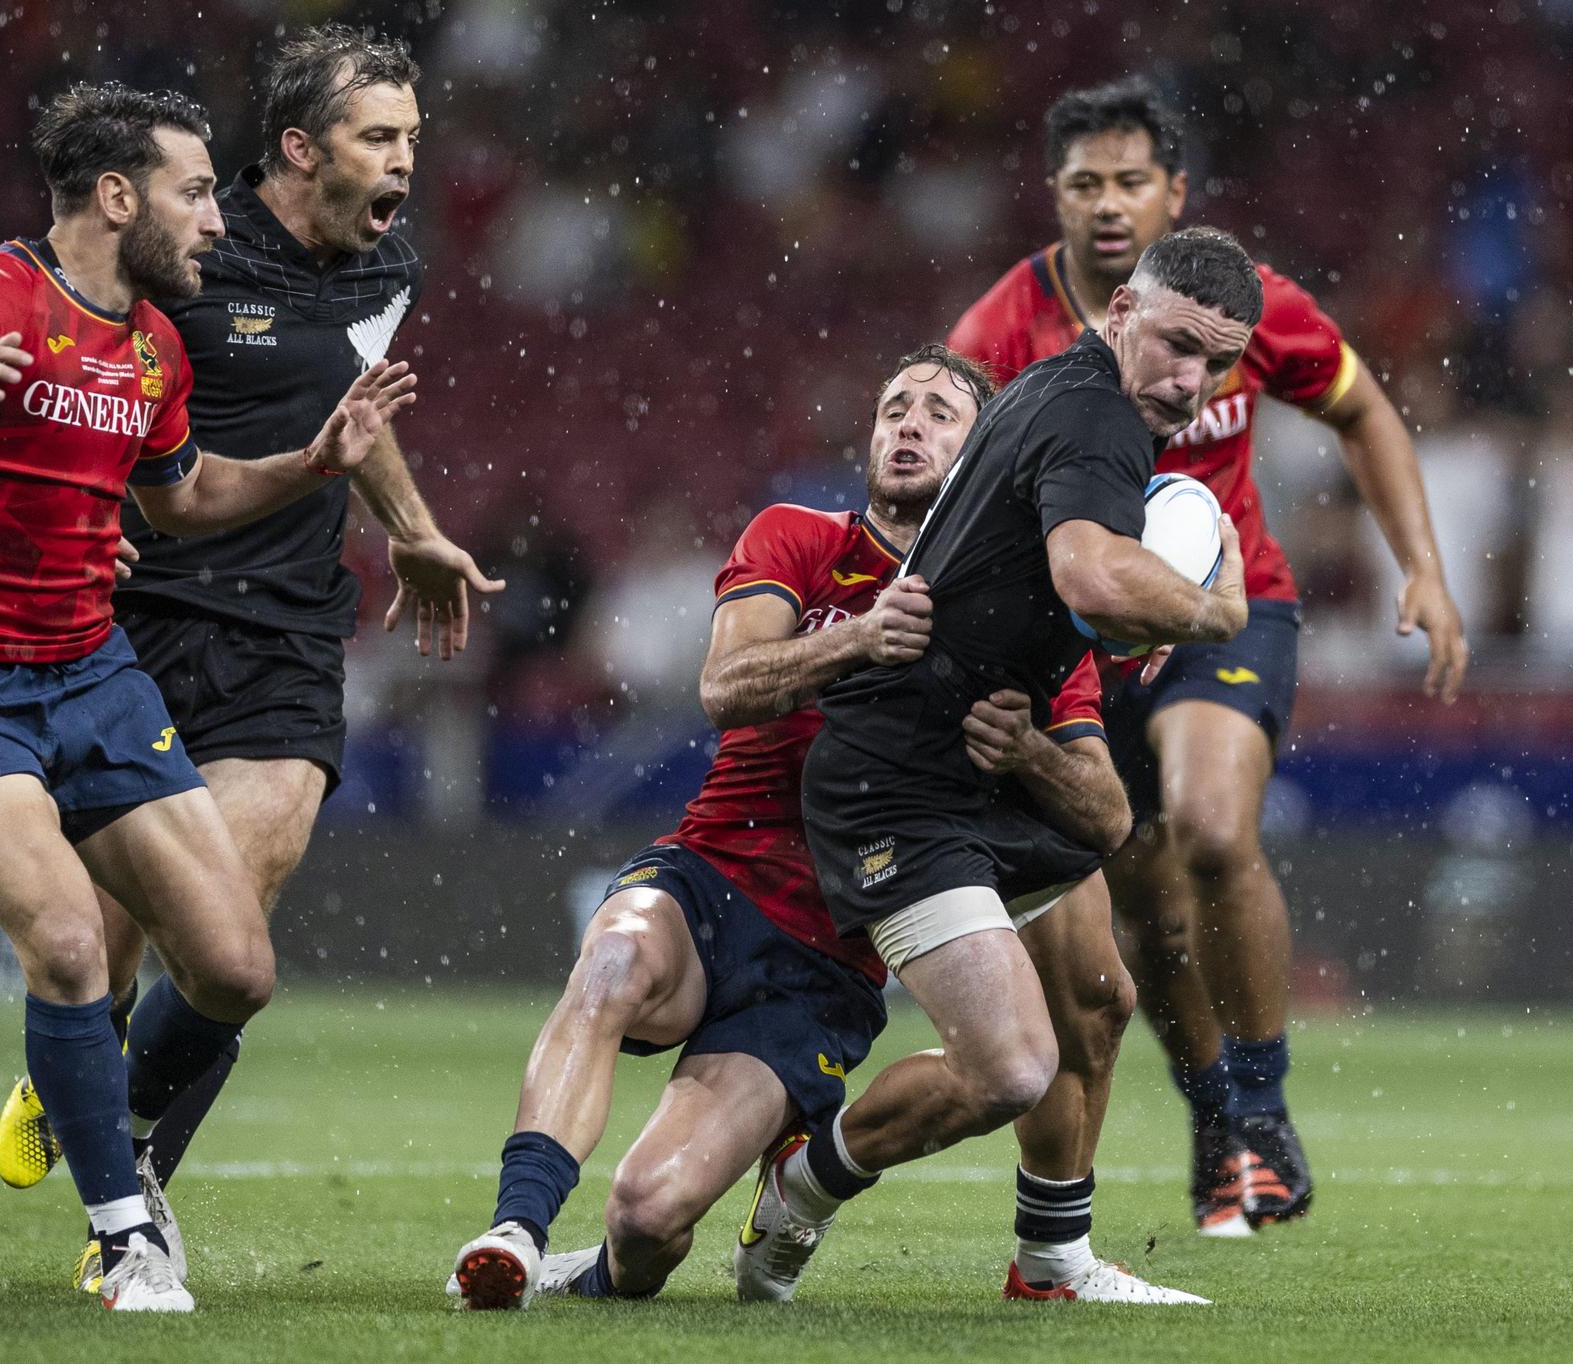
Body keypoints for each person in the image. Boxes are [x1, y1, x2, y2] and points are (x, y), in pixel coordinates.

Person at [450, 344, 1198, 1309]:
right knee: (614, 959)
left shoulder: (1031, 622)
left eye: (938, 412)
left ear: (985, 457)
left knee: (646, 1223)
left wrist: (1027, 753)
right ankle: (516, 1224)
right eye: (895, 406)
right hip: (712, 876)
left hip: (825, 960)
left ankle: (599, 1271)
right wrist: (858, 636)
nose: (908, 424)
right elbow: (723, 687)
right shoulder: (802, 537)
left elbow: (1106, 813)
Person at [0, 82, 417, 1311]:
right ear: (118, 196)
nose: (218, 218)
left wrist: (313, 466)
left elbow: (185, 494)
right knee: (61, 942)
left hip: (93, 673)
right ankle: (124, 1236)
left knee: (233, 969)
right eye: (197, 191)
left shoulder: (153, 341)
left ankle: (96, 1112)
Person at [0, 26, 502, 1289]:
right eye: (379, 137)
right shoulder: (187, 251)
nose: (402, 161)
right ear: (297, 149)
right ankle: (79, 1065)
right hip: (139, 610)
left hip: (284, 623)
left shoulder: (391, 265)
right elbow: (82, 378)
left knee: (233, 920)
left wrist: (417, 532)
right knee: (110, 939)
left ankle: (135, 1175)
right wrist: (78, 517)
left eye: (412, 139)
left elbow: (353, 403)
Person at [949, 78, 1471, 1234]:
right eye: (1083, 182)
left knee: (1211, 826)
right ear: (1055, 197)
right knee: (1144, 903)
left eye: (1130, 179)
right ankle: (1211, 1117)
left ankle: (1265, 1109)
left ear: (1173, 192)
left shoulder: (1253, 306)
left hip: (1228, 609)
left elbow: (1365, 413)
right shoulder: (1000, 331)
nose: (1106, 202)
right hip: (1083, 650)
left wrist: (1420, 567)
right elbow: (945, 485)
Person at [737, 228, 1258, 1303]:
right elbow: (1091, 574)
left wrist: (1109, 623)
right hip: (905, 779)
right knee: (1007, 1068)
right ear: (1119, 312)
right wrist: (1205, 609)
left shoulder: (1062, 385)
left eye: (1215, 362)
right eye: (1172, 344)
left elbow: (1079, 579)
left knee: (1097, 996)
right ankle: (800, 1181)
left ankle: (1051, 1260)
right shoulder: (1097, 413)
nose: (1188, 380)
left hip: (981, 762)